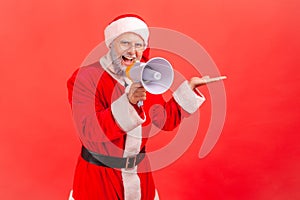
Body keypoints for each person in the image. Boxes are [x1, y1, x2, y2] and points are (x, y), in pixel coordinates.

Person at [67, 14, 209, 200]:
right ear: (111, 44)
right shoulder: (85, 78)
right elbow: (89, 130)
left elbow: (163, 119)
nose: (132, 51)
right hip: (99, 177)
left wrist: (188, 91)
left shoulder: (145, 76)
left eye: (139, 44)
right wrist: (129, 103)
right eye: (125, 43)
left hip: (141, 177)